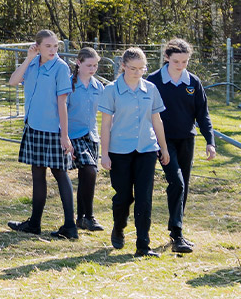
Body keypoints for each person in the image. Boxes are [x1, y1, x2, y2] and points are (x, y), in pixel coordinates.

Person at [97, 47, 172, 257]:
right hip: (119, 150)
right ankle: (118, 227)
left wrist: (163, 148)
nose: (138, 73)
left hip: (146, 149)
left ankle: (143, 245)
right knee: (123, 196)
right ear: (123, 66)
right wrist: (104, 153)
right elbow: (105, 125)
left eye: (142, 68)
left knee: (144, 197)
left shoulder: (151, 89)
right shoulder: (111, 90)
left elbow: (157, 120)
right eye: (133, 68)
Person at [147, 38, 216, 255]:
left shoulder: (193, 82)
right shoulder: (153, 81)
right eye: (177, 61)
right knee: (176, 182)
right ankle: (176, 233)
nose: (181, 66)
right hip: (163, 141)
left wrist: (210, 141)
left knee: (183, 185)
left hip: (187, 139)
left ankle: (178, 230)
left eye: (185, 61)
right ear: (167, 58)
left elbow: (202, 114)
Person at [7, 30, 77, 239]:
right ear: (37, 47)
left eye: (55, 46)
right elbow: (13, 81)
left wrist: (65, 135)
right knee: (37, 175)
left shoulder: (61, 68)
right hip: (34, 127)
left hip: (54, 130)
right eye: (48, 46)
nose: (53, 50)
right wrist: (28, 58)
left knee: (60, 174)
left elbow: (62, 103)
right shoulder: (32, 63)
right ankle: (34, 223)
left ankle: (70, 227)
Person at [66, 48, 106, 232]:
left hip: (92, 136)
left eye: (95, 65)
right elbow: (61, 111)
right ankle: (89, 216)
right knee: (90, 170)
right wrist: (64, 137)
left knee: (87, 175)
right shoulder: (69, 85)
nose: (92, 69)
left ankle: (82, 218)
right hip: (73, 135)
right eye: (89, 65)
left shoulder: (99, 87)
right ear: (78, 63)